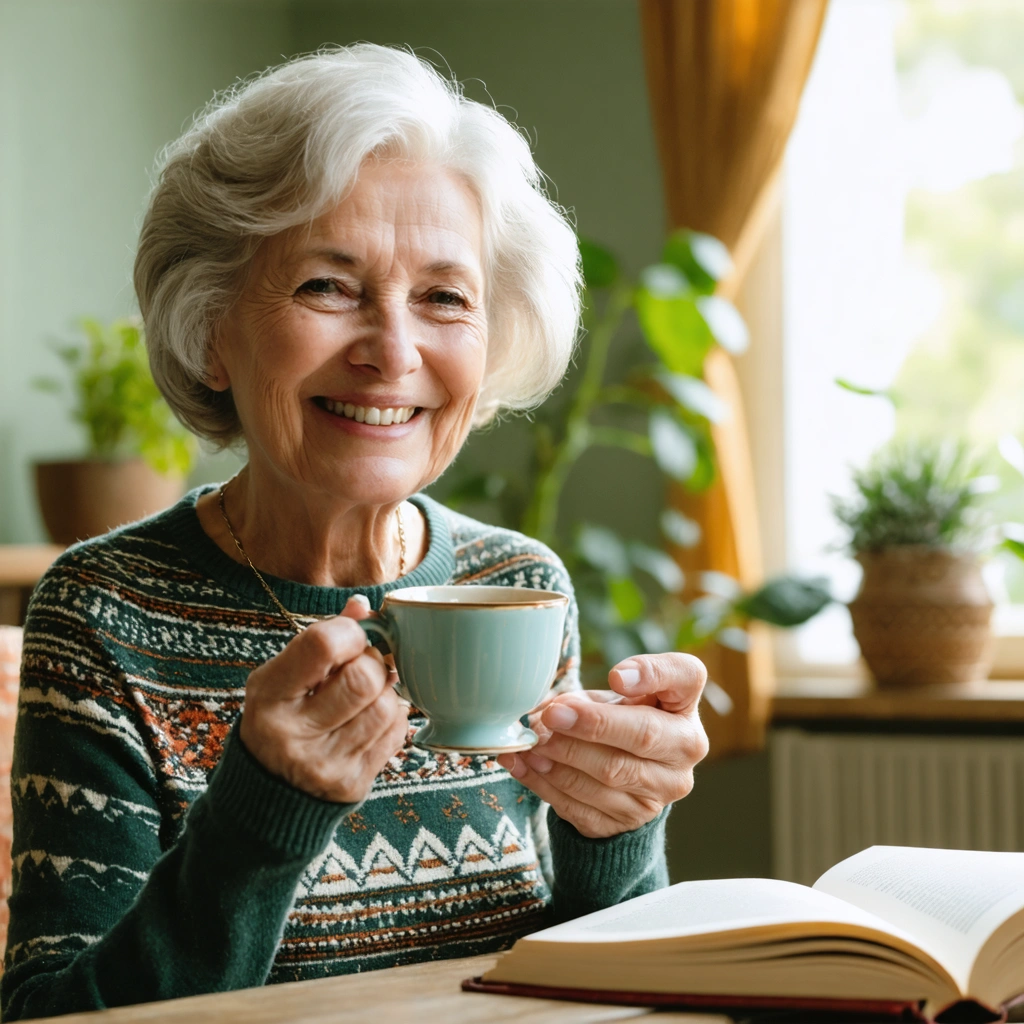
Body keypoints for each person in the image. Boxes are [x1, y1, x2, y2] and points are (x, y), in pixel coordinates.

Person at [2, 44, 709, 1019]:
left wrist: (613, 827)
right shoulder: (103, 612)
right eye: (328, 286)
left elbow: (598, 980)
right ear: (211, 327)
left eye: (443, 298)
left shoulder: (518, 581)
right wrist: (260, 816)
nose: (392, 352)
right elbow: (54, 1015)